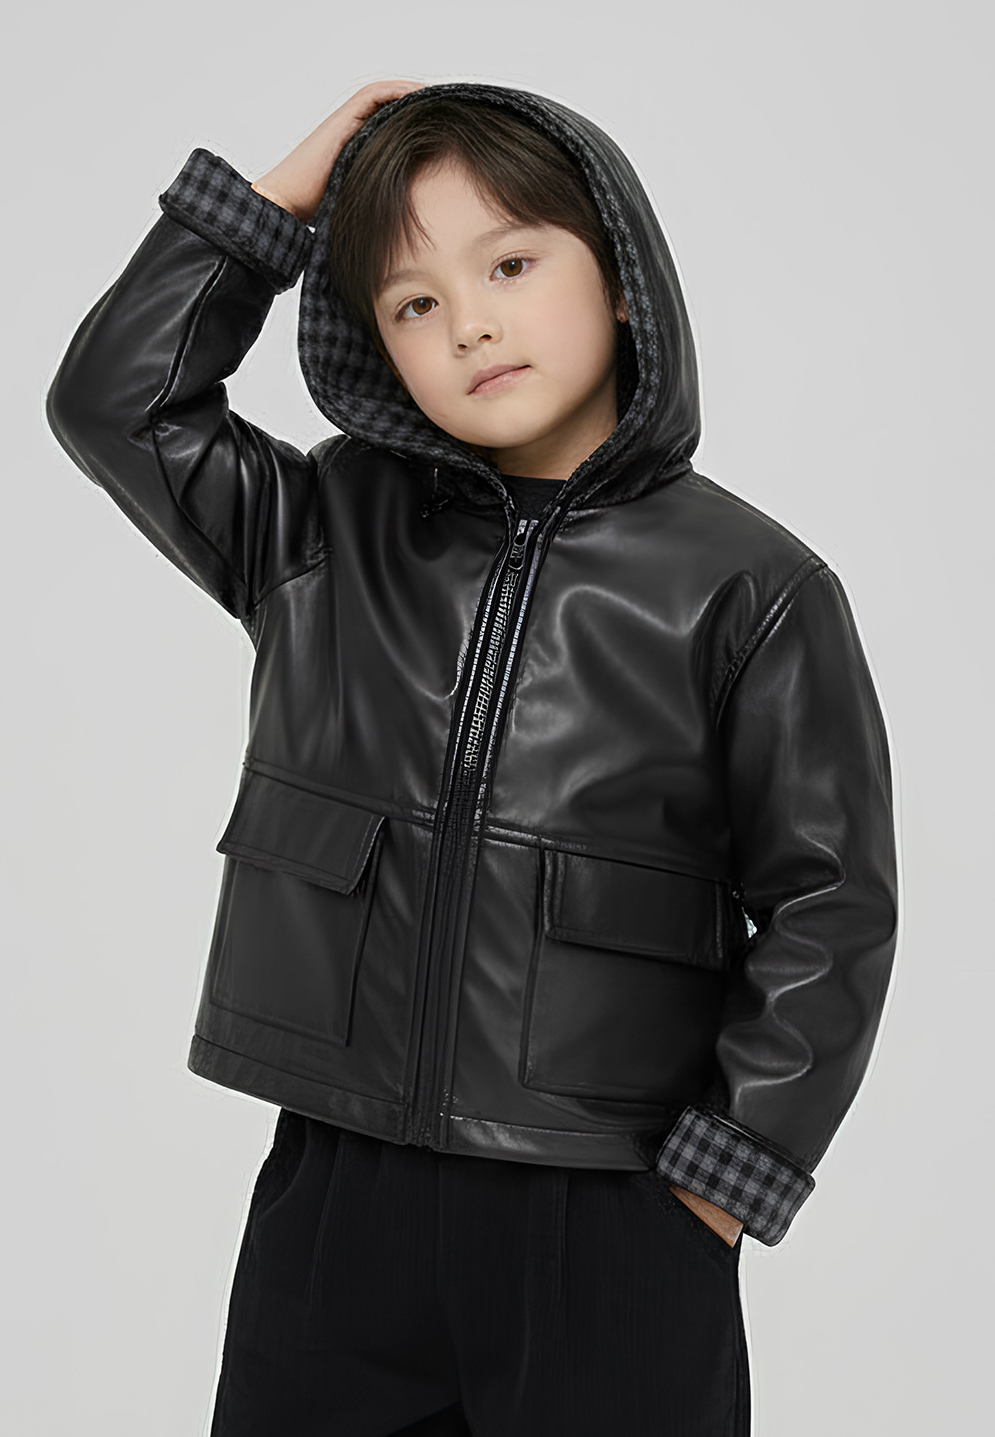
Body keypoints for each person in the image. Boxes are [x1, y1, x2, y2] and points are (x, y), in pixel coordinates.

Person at [45, 78, 898, 1437]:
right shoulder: (321, 532)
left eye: (509, 265)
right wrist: (268, 210)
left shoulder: (750, 587)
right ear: (375, 344)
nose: (470, 323)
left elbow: (829, 904)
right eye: (412, 301)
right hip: (342, 1187)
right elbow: (116, 403)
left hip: (609, 1197)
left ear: (620, 279)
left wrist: (726, 1175)